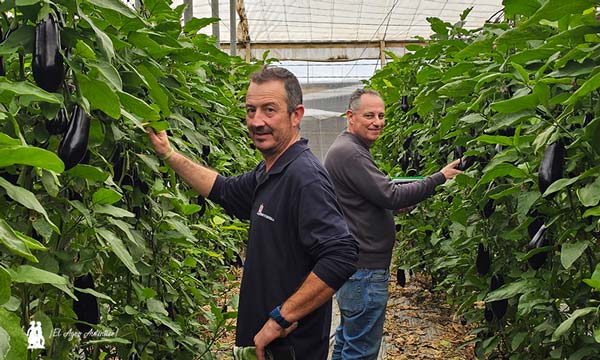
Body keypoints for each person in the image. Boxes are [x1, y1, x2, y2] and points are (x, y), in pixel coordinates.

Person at [146, 66, 358, 360]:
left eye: (269, 110)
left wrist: (280, 318)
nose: (257, 121)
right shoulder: (270, 171)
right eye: (251, 110)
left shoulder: (304, 177)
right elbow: (223, 189)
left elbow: (341, 255)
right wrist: (169, 154)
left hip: (290, 349)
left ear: (296, 115)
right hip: (264, 346)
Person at [324, 89, 462, 360]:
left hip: (357, 267)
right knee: (360, 350)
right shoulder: (350, 153)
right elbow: (390, 194)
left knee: (348, 341)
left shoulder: (349, 149)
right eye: (369, 115)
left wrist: (396, 203)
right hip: (364, 269)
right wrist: (439, 178)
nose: (377, 121)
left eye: (381, 115)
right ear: (350, 117)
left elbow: (377, 198)